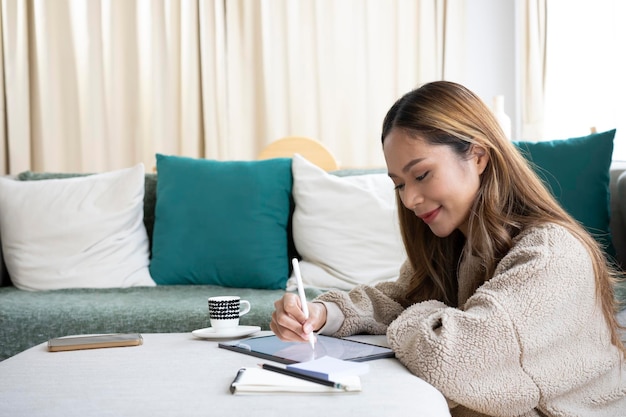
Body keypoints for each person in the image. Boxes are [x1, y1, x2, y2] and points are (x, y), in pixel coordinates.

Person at [270, 81, 626, 416]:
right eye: (399, 185)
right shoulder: (457, 242)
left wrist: (430, 318)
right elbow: (401, 298)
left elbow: (452, 357)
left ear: (478, 156)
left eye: (421, 175)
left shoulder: (550, 256)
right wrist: (321, 313)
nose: (409, 199)